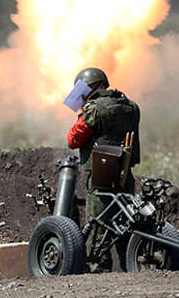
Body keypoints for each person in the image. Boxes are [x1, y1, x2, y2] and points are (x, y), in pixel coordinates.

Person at [66, 67, 140, 273]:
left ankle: (99, 270)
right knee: (125, 221)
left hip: (102, 170)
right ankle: (130, 266)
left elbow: (73, 140)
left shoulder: (94, 109)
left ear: (90, 87)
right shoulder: (131, 106)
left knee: (98, 223)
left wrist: (80, 114)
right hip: (125, 173)